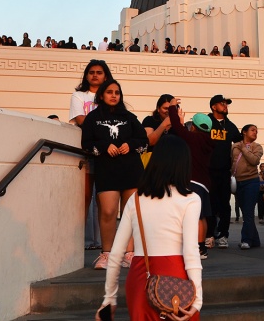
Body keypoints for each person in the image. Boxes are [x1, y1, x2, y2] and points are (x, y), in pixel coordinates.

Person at [97, 135, 202, 321]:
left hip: (140, 276)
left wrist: (109, 299)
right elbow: (191, 251)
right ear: (183, 164)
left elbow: (115, 254)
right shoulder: (191, 199)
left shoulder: (136, 199)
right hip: (176, 277)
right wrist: (197, 300)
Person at [82, 80, 148, 270]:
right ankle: (107, 254)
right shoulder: (92, 118)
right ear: (101, 95)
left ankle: (129, 253)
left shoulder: (129, 117)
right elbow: (86, 142)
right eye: (109, 92)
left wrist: (131, 145)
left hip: (132, 170)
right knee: (108, 212)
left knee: (131, 214)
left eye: (117, 92)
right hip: (107, 170)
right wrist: (104, 146)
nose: (114, 95)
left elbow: (143, 139)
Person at [70, 60, 114, 251]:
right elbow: (80, 119)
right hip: (87, 150)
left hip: (107, 153)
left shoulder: (110, 94)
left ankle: (103, 243)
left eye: (99, 72)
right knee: (85, 197)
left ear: (106, 75)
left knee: (105, 198)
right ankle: (81, 240)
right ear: (86, 75)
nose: (95, 75)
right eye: (91, 72)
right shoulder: (79, 95)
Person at [167, 98, 216, 260]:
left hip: (192, 181)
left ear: (193, 126)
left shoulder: (192, 138)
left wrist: (173, 107)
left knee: (192, 216)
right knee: (202, 216)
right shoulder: (209, 141)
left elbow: (176, 126)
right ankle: (202, 248)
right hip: (205, 184)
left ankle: (195, 248)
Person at [207, 94, 242, 249]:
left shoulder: (230, 125)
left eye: (226, 104)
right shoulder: (206, 122)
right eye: (222, 103)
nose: (225, 106)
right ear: (214, 106)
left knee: (224, 205)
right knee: (209, 204)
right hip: (208, 171)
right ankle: (209, 234)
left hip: (224, 172)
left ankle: (223, 235)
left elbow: (241, 141)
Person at [232, 124, 263, 249]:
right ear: (244, 132)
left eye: (256, 131)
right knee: (246, 212)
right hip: (237, 182)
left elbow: (254, 161)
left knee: (249, 211)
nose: (255, 132)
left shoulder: (258, 147)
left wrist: (244, 149)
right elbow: (232, 162)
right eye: (252, 130)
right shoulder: (234, 146)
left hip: (251, 181)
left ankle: (246, 240)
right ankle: (255, 240)